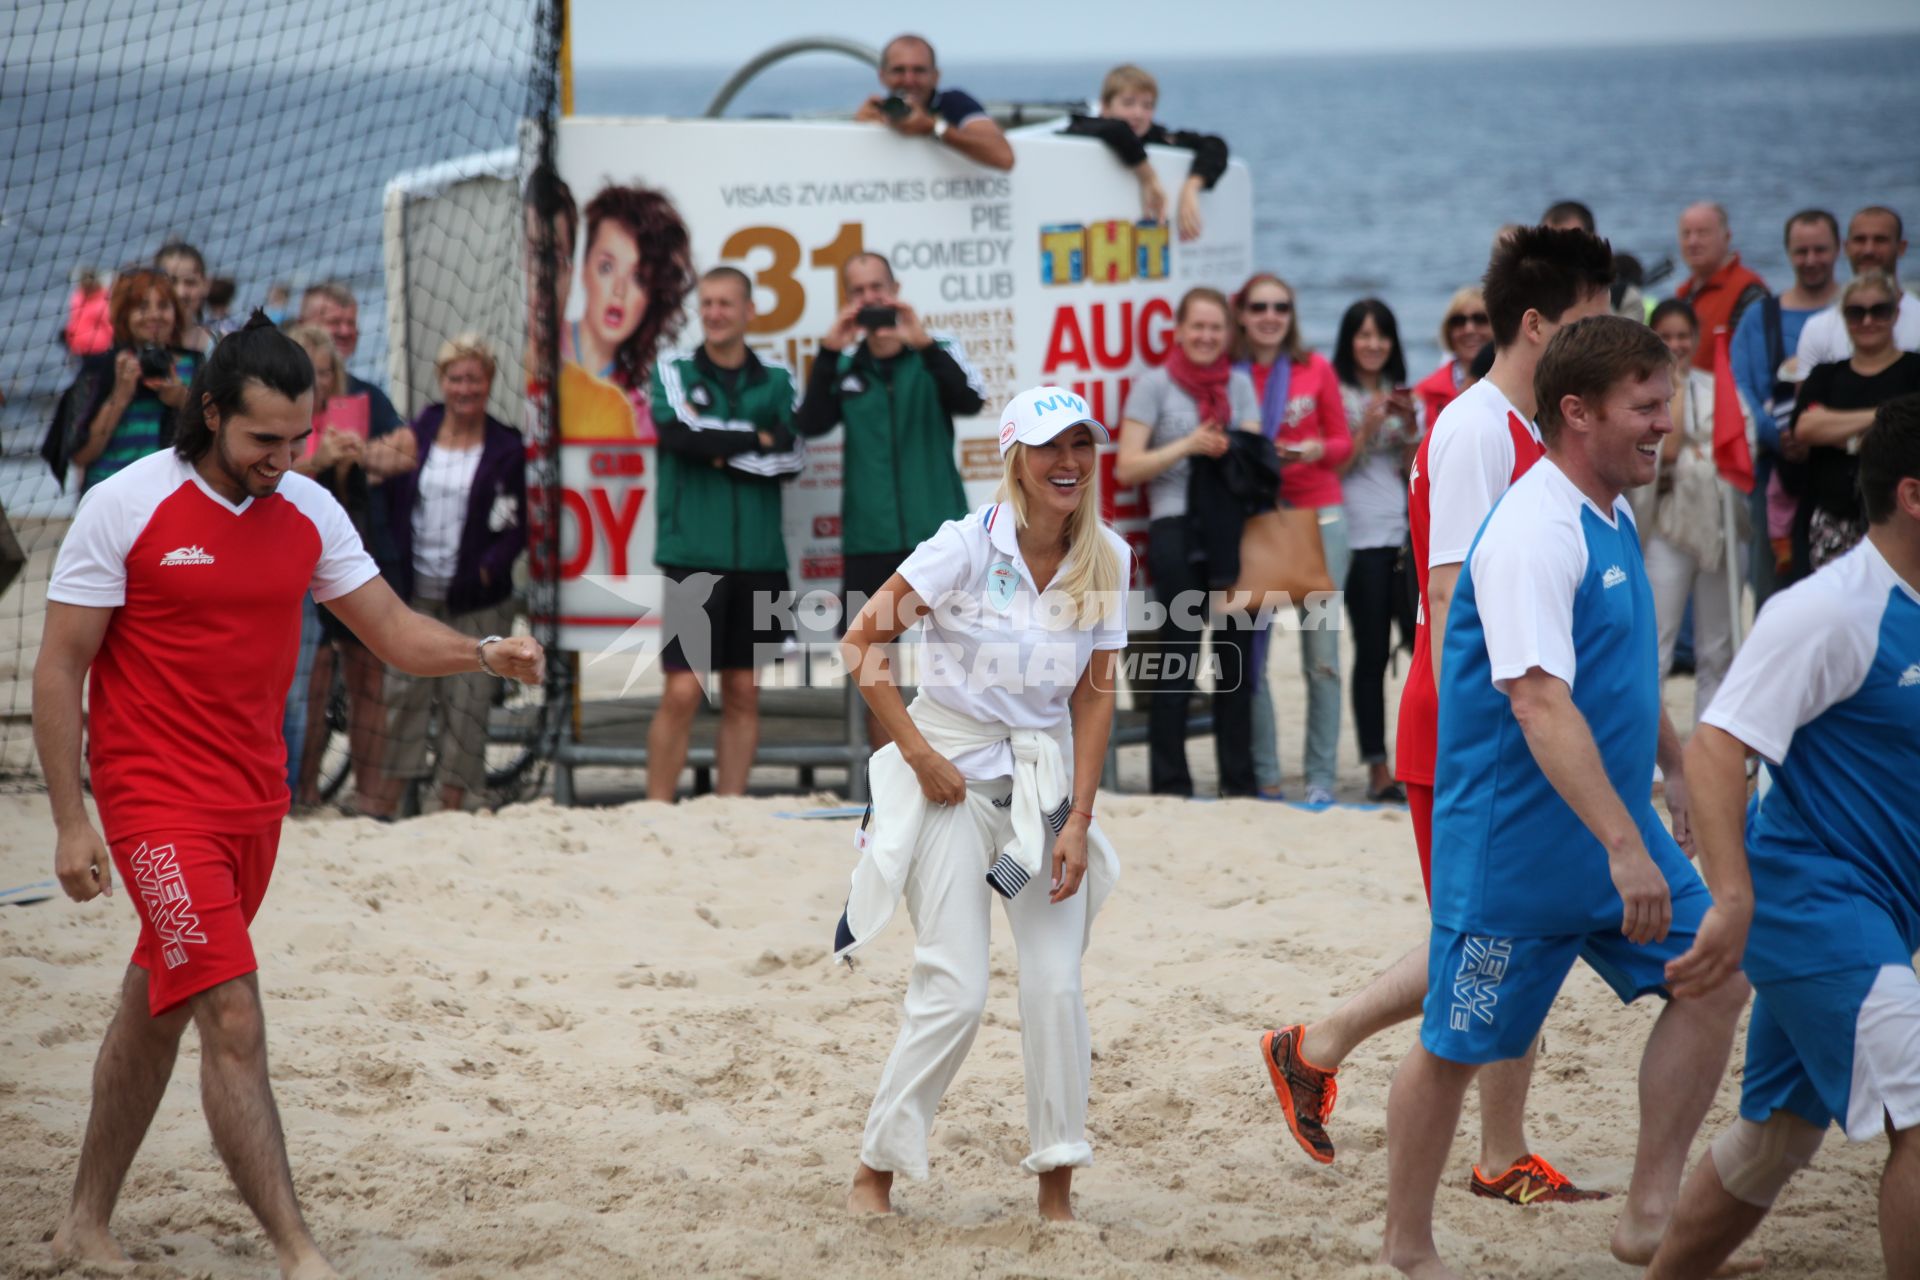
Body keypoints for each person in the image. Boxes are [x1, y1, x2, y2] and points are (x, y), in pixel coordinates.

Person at [33, 313, 544, 1278]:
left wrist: (482, 651)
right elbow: (59, 666)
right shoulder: (127, 504)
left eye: (297, 440)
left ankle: (82, 1223)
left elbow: (389, 629)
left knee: (159, 1003)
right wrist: (71, 818)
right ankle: (299, 1253)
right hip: (152, 806)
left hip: (252, 808)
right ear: (212, 414)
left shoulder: (309, 510)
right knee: (233, 1011)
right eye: (263, 439)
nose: (282, 458)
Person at [1378, 315, 1750, 1278]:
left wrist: (1669, 766)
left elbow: (1618, 673)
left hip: (1611, 828)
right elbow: (1539, 702)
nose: (1666, 423)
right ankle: (1408, 1249)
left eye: (1665, 402)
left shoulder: (1611, 507)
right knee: (1455, 1044)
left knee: (1719, 973)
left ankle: (1650, 1214)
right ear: (1577, 412)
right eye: (1648, 406)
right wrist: (1626, 848)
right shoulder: (1534, 530)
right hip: (1518, 848)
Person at [1261, 225, 1615, 1204]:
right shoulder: (1473, 429)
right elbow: (1454, 598)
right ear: (1540, 325)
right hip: (1471, 720)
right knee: (1493, 936)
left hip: (1509, 711)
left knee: (1506, 932)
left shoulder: (1534, 425)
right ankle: (1470, 1134)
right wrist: (1517, 729)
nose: (1614, 334)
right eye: (1595, 317)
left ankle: (1329, 1049)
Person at [836, 385, 1128, 1222]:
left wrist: (1080, 819)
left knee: (1054, 988)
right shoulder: (962, 546)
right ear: (1017, 458)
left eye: (1079, 444)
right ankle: (875, 1173)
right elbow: (862, 642)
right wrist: (917, 754)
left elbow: (1097, 696)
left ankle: (1056, 1191)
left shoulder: (1107, 554)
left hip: (1040, 795)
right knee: (956, 989)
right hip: (949, 780)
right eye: (1049, 447)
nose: (1067, 462)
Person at [1646, 396, 1920, 1280]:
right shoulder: (1833, 610)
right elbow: (1719, 750)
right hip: (1814, 902)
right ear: (1914, 495)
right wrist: (1730, 901)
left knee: (1775, 1140)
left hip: (1883, 908)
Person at [795, 252, 984, 746]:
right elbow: (810, 423)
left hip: (939, 534)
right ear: (848, 302)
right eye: (859, 291)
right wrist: (830, 352)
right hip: (869, 539)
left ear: (895, 288)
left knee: (962, 657)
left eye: (878, 287)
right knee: (877, 663)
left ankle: (964, 765)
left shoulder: (934, 351)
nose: (871, 298)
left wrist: (921, 343)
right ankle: (893, 776)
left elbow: (970, 400)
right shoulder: (844, 366)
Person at [644, 267, 805, 802]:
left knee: (743, 691)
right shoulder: (674, 369)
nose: (714, 313)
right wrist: (758, 437)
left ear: (748, 311)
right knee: (683, 690)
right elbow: (679, 434)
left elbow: (793, 457)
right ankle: (655, 810)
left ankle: (730, 810)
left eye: (725, 304)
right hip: (693, 556)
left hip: (762, 559)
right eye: (707, 303)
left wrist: (721, 451)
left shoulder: (780, 379)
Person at [1117, 286, 1261, 797]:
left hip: (1230, 535)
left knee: (1234, 664)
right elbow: (1127, 465)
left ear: (1228, 334)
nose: (1205, 336)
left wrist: (1231, 449)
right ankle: (1171, 784)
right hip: (1174, 530)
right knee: (1176, 661)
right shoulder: (1153, 385)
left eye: (1215, 328)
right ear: (1177, 331)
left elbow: (1253, 465)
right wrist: (1189, 444)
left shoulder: (1239, 386)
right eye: (1197, 327)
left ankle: (1238, 783)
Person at [378, 335, 528, 814]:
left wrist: (486, 573)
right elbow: (376, 472)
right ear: (442, 382)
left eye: (475, 378)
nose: (465, 388)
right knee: (403, 695)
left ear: (489, 382)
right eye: (456, 378)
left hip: (477, 598)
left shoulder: (507, 447)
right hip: (415, 592)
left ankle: (453, 801)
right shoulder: (418, 432)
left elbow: (519, 525)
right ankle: (398, 799)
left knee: (468, 702)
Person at [1232, 273, 1352, 804]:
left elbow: (1344, 443)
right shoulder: (1230, 374)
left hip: (1319, 521)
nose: (1270, 316)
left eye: (1281, 306)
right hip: (1256, 523)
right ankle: (1267, 776)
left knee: (1321, 659)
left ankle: (1321, 777)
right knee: (1252, 663)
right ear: (1242, 313)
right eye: (1259, 306)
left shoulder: (1315, 368)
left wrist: (1314, 451)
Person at [283, 325, 413, 814]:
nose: (315, 381)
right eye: (307, 371)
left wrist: (365, 453)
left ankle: (371, 794)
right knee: (309, 680)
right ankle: (303, 788)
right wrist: (321, 460)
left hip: (353, 549)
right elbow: (263, 477)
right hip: (296, 557)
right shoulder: (276, 410)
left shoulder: (358, 399)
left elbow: (407, 446)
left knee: (367, 677)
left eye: (321, 372)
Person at [1634, 299, 1751, 723]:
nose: (1676, 344)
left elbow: (1744, 448)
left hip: (1720, 529)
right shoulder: (1641, 393)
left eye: (1683, 335)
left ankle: (1707, 747)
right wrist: (1674, 390)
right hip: (1666, 527)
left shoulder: (1720, 386)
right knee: (1656, 642)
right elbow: (1655, 455)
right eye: (1666, 336)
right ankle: (1646, 752)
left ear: (1696, 338)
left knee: (1717, 648)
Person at [1333, 299, 1421, 802]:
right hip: (1359, 541)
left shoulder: (1404, 394)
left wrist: (1409, 428)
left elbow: (1416, 471)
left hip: (1405, 540)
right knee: (1369, 655)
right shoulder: (1337, 393)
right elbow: (1335, 469)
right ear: (1348, 341)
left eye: (1381, 335)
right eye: (1363, 335)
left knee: (1420, 651)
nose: (1372, 344)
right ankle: (1378, 768)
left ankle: (1421, 757)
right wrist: (1366, 426)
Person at [1730, 209, 1841, 603]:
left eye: (1820, 250)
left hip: (1844, 473)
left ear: (1838, 249)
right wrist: (1780, 438)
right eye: (1801, 251)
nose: (1811, 260)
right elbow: (1740, 387)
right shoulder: (1761, 318)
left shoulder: (1860, 313)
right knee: (1773, 587)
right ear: (1787, 253)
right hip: (1776, 472)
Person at [1786, 271, 1920, 573]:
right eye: (1856, 312)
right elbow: (1805, 427)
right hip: (1836, 518)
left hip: (1906, 521)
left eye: (1879, 310)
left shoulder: (1914, 369)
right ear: (1843, 317)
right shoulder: (1825, 375)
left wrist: (1837, 427)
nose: (1868, 321)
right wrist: (1884, 416)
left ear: (1896, 314)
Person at [569, 182, 695, 441]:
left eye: (638, 278)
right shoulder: (544, 354)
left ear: (652, 297)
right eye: (606, 267)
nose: (619, 290)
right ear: (583, 269)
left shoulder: (639, 412)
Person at [522, 164, 635, 441]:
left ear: (572, 274)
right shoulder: (474, 382)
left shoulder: (608, 406)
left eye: (554, 259)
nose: (542, 280)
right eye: (536, 256)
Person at [67, 268, 200, 494]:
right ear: (123, 314)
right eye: (142, 307)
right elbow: (81, 455)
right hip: (111, 492)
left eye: (164, 306)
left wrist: (182, 399)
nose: (154, 315)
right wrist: (119, 397)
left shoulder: (194, 365)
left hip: (171, 494)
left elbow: (218, 435)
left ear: (175, 312)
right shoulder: (100, 370)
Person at [1060, 63, 1227, 241]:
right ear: (1105, 106)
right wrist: (1148, 176)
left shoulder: (1158, 137)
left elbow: (1216, 144)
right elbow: (1117, 130)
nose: (1138, 113)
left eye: (1147, 106)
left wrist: (1192, 186)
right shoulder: (1085, 128)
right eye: (1128, 103)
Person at [855, 34, 1013, 172]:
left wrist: (932, 127)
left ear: (935, 76)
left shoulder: (954, 103)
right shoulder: (877, 112)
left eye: (919, 70)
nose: (909, 80)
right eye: (899, 70)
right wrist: (862, 130)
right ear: (882, 76)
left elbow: (1004, 156)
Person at [1795, 206, 1919, 367]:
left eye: (1880, 240)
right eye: (1860, 240)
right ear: (1846, 247)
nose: (1869, 250)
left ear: (1901, 247)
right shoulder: (1818, 328)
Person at [1674, 202, 1769, 373]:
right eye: (1686, 234)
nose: (1692, 241)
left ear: (1727, 237)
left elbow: (1759, 361)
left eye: (1702, 233)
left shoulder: (1748, 291)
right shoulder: (1683, 292)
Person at [1412, 288, 1491, 454]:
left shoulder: (1521, 386)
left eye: (1480, 319)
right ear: (1448, 331)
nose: (1469, 329)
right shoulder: (1423, 393)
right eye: (1458, 321)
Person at [156, 241, 214, 355]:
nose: (180, 293)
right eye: (172, 281)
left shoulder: (219, 346)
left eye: (190, 282)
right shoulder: (138, 344)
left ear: (205, 285)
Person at [64, 267, 113, 356]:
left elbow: (110, 326)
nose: (87, 284)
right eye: (85, 282)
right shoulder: (77, 298)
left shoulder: (104, 300)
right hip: (79, 350)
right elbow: (73, 323)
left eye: (90, 281)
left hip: (100, 351)